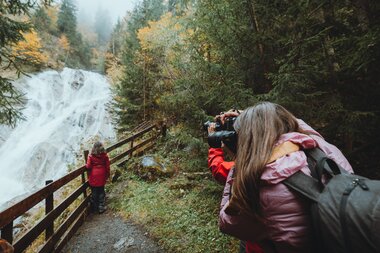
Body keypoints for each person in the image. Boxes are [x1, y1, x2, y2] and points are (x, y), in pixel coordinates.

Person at [218, 102, 353, 253]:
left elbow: (227, 223)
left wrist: (238, 160)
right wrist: (265, 116)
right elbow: (305, 129)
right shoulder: (324, 149)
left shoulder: (258, 184)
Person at [207, 119, 264, 253]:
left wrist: (214, 144)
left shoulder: (244, 169)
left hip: (257, 245)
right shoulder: (287, 159)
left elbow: (217, 168)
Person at [85, 141, 110, 214]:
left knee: (94, 191)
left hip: (94, 175)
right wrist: (108, 174)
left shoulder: (91, 156)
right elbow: (107, 166)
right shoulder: (105, 156)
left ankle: (94, 209)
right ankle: (101, 208)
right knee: (101, 190)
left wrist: (85, 165)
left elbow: (88, 166)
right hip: (102, 174)